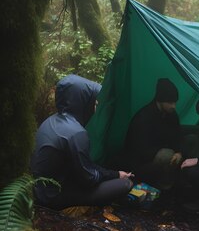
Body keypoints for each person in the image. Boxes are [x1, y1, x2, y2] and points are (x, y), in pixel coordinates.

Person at [31, 75, 133, 209]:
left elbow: (81, 166)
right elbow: (89, 179)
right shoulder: (76, 133)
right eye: (94, 102)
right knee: (125, 184)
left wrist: (112, 173)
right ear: (83, 101)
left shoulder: (51, 121)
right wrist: (115, 176)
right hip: (52, 197)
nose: (96, 107)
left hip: (39, 189)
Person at [124, 78, 183, 189]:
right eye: (170, 103)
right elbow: (139, 150)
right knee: (167, 155)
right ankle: (164, 187)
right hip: (143, 161)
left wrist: (179, 152)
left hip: (162, 152)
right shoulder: (143, 117)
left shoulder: (171, 115)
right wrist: (168, 151)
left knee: (191, 138)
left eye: (175, 102)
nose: (173, 106)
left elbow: (177, 134)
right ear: (160, 100)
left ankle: (180, 181)